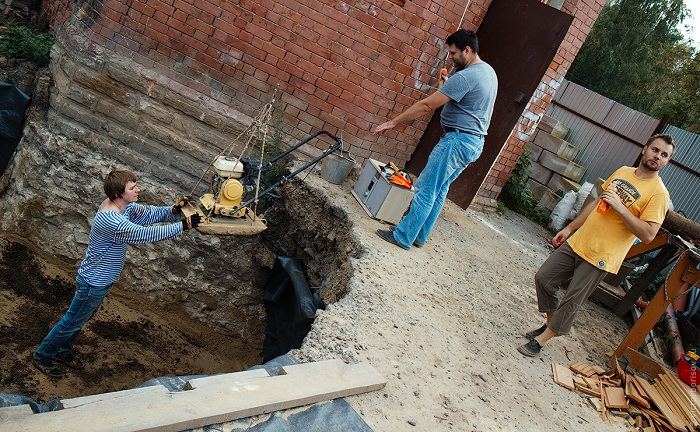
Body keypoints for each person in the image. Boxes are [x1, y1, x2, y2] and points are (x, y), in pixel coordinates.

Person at [518, 134, 675, 357]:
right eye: (655, 150)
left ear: (667, 161)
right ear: (644, 149)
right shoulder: (623, 172)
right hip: (580, 241)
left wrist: (621, 208)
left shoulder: (659, 194)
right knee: (544, 278)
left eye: (664, 155)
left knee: (572, 299)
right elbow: (596, 203)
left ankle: (541, 341)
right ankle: (551, 325)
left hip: (602, 255)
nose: (657, 156)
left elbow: (649, 235)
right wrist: (570, 228)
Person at [32, 170, 201, 377]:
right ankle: (42, 355)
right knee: (71, 321)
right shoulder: (112, 220)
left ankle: (62, 351)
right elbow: (142, 233)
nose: (138, 189)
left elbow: (149, 214)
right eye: (133, 188)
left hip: (101, 280)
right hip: (93, 282)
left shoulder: (124, 206)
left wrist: (174, 211)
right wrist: (182, 226)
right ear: (119, 194)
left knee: (78, 320)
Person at [372, 29, 498, 250]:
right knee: (439, 189)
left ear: (467, 50)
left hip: (456, 141)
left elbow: (427, 105)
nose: (451, 58)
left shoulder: (467, 76)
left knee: (426, 188)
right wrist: (447, 84)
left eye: (453, 53)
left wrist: (393, 122)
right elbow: (457, 99)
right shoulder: (488, 72)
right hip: (473, 143)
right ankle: (419, 235)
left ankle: (403, 236)